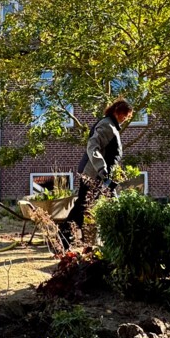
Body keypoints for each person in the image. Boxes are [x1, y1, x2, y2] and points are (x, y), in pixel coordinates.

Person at [64, 99, 134, 239]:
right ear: (116, 111)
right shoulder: (106, 126)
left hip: (101, 175)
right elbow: (92, 146)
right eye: (124, 115)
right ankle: (65, 236)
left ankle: (73, 237)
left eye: (127, 116)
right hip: (93, 174)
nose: (125, 118)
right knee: (83, 206)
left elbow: (110, 154)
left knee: (85, 206)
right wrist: (101, 168)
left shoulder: (112, 126)